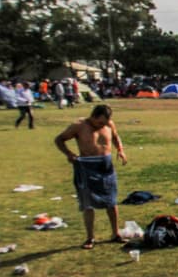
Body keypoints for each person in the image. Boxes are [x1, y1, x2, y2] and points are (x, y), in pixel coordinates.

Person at [54, 104, 129, 249]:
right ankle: (90, 238)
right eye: (100, 122)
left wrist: (120, 150)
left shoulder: (109, 124)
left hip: (106, 165)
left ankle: (115, 233)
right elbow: (59, 139)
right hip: (87, 165)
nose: (102, 125)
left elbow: (115, 136)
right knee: (88, 204)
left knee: (111, 201)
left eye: (105, 123)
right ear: (93, 116)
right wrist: (69, 154)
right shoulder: (78, 126)